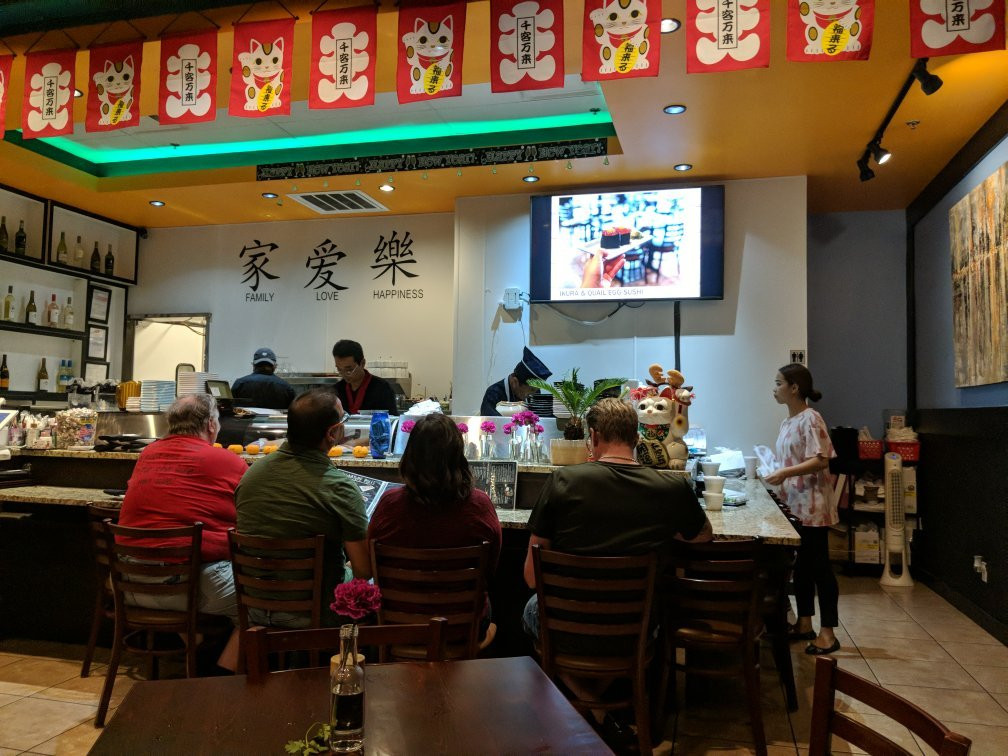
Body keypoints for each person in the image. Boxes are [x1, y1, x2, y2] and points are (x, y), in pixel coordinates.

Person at [522, 397, 712, 650]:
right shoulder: (672, 487)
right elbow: (703, 534)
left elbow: (532, 578)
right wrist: (666, 528)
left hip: (565, 629)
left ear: (594, 436)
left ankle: (560, 676)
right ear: (637, 437)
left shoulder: (562, 481)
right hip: (635, 634)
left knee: (531, 607)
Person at [117, 393, 247, 671]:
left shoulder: (147, 454)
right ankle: (219, 678)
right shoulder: (226, 460)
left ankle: (197, 653)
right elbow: (247, 515)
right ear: (211, 424)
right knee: (261, 601)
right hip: (185, 589)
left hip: (128, 585)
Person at [235, 388, 370, 627]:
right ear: (332, 433)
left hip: (253, 605)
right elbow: (364, 569)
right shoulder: (339, 487)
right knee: (371, 591)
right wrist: (349, 566)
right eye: (343, 420)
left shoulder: (251, 475)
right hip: (314, 613)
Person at [368, 413, 502, 628]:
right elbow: (490, 569)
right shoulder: (480, 505)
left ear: (410, 456)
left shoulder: (389, 504)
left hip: (397, 626)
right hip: (462, 628)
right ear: (458, 456)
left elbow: (371, 561)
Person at [764, 363, 840, 656]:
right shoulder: (788, 422)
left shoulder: (811, 418)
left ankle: (828, 633)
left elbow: (821, 459)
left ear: (794, 388)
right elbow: (792, 460)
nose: (774, 389)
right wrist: (771, 468)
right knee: (802, 568)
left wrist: (784, 473)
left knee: (820, 568)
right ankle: (805, 623)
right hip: (795, 504)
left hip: (813, 505)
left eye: (778, 383)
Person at [331, 339, 398, 415]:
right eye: (339, 369)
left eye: (349, 369)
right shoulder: (336, 390)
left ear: (362, 363)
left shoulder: (382, 388)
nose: (344, 374)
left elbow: (392, 418)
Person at [480, 346, 552, 416]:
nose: (533, 394)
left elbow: (540, 417)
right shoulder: (493, 393)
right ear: (515, 382)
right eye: (531, 389)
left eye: (536, 390)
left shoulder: (535, 392)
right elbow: (489, 421)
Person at [231, 347, 296, 410]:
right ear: (274, 366)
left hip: (246, 418)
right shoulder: (286, 387)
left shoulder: (239, 384)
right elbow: (293, 411)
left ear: (253, 365)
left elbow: (229, 408)